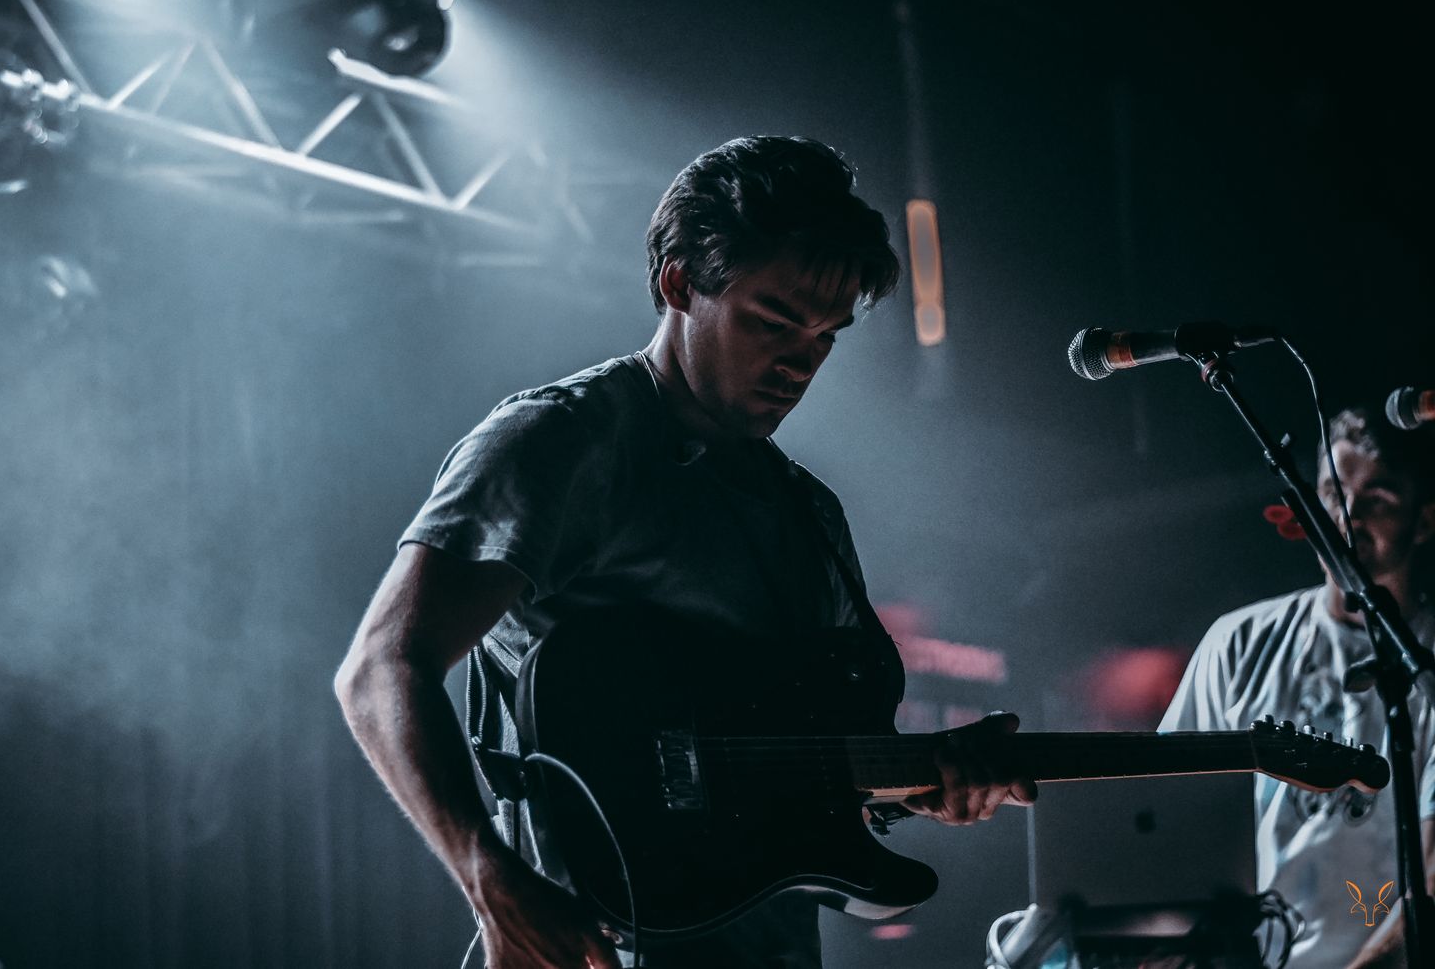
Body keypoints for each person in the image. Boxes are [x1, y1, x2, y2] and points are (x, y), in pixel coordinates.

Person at [334, 136, 1035, 968]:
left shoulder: (808, 510)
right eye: (773, 322)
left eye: (825, 337)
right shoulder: (563, 441)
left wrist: (925, 783)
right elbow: (381, 667)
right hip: (600, 944)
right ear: (679, 283)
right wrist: (491, 879)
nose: (799, 363)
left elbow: (807, 759)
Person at [1159, 406, 1435, 969]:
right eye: (1333, 494)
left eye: (1378, 499)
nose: (1348, 516)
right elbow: (1167, 818)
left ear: (1424, 521)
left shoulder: (1427, 668)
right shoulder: (1238, 642)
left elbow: (1431, 879)